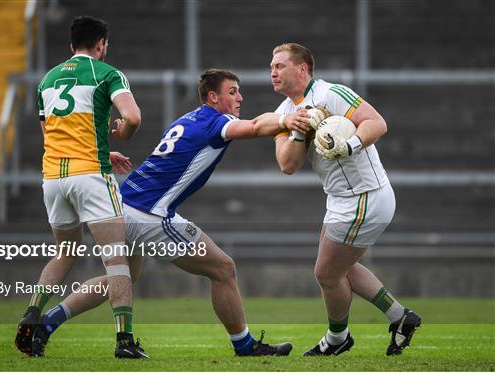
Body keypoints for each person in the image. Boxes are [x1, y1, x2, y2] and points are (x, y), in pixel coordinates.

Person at [31, 68, 312, 358]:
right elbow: (253, 127)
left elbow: (253, 122)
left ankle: (47, 323)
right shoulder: (216, 122)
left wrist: (280, 120)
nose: (240, 97)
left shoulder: (187, 119)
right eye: (232, 92)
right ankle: (244, 344)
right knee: (223, 268)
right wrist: (286, 120)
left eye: (239, 91)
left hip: (122, 205)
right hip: (149, 214)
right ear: (213, 97)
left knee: (122, 277)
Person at [271, 43, 421, 356]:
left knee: (326, 273)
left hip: (365, 197)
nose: (273, 71)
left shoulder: (331, 93)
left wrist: (350, 145)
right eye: (271, 66)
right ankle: (400, 317)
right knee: (341, 268)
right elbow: (287, 165)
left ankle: (337, 340)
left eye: (280, 65)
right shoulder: (283, 114)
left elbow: (376, 122)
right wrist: (299, 130)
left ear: (303, 69)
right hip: (340, 199)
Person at [15, 16, 145, 359]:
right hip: (91, 176)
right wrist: (121, 134)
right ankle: (125, 341)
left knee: (65, 252)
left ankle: (32, 312)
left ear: (72, 44)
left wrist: (103, 146)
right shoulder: (107, 73)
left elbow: (50, 135)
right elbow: (132, 118)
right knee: (117, 260)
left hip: (54, 178)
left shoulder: (47, 79)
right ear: (101, 44)